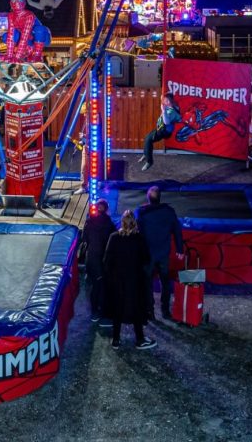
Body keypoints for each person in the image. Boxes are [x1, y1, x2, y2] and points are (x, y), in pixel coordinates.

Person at [103, 210, 157, 350]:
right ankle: (140, 339)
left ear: (122, 222)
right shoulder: (139, 239)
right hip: (135, 280)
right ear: (135, 222)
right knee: (137, 308)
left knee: (117, 308)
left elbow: (107, 260)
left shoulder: (114, 237)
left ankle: (116, 339)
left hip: (117, 280)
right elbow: (146, 259)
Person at [136, 185, 184, 320]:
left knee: (147, 283)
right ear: (160, 197)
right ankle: (165, 310)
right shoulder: (169, 211)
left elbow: (138, 232)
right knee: (165, 282)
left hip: (148, 255)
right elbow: (177, 231)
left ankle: (150, 311)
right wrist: (180, 250)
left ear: (148, 198)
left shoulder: (141, 212)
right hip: (163, 254)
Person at [82, 198, 115, 322]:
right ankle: (102, 311)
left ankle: (94, 312)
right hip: (103, 259)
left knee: (95, 286)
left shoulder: (89, 222)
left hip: (91, 258)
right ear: (106, 209)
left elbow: (85, 239)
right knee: (103, 286)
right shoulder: (109, 223)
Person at [139, 92, 181, 171]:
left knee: (149, 140)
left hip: (164, 131)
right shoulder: (169, 106)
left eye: (166, 100)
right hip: (160, 129)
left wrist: (163, 110)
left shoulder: (172, 111)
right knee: (147, 138)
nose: (164, 101)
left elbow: (166, 122)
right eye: (164, 100)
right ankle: (146, 154)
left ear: (170, 102)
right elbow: (163, 100)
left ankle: (149, 162)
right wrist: (162, 97)